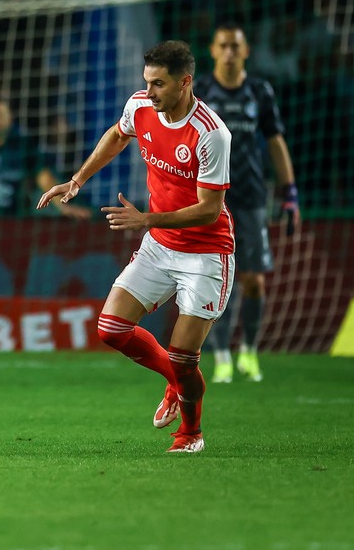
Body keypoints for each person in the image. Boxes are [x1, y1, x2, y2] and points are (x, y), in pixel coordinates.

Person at [38, 40, 234, 454]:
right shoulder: (141, 105)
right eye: (147, 82)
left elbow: (209, 210)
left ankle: (191, 434)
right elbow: (116, 134)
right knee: (111, 329)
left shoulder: (212, 134)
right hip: (159, 246)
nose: (151, 92)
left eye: (160, 84)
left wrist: (147, 219)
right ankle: (175, 383)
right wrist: (78, 179)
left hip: (205, 252)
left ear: (185, 83)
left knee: (185, 356)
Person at [195, 23, 300, 384]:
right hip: (210, 198)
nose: (229, 52)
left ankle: (250, 352)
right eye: (223, 45)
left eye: (235, 46)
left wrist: (290, 194)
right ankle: (222, 356)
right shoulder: (200, 91)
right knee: (215, 279)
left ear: (246, 51)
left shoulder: (259, 91)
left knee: (253, 280)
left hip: (253, 195)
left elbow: (275, 141)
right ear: (212, 50)